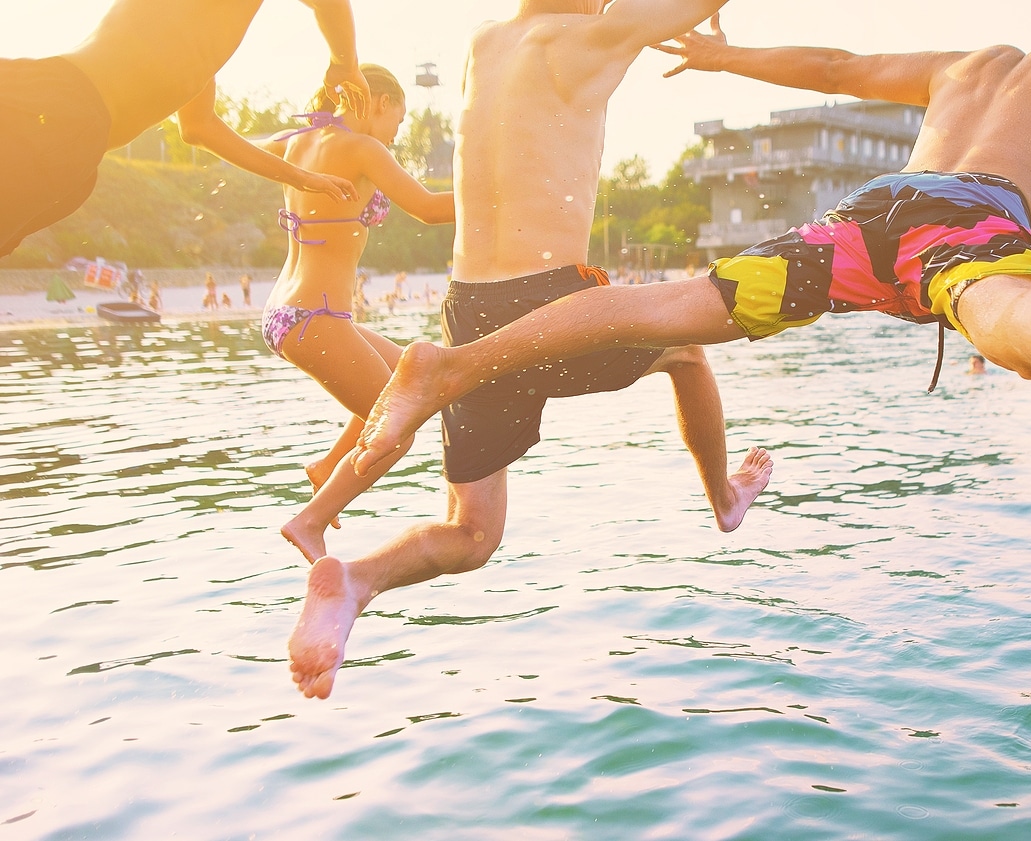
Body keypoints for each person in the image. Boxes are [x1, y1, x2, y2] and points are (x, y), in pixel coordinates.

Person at [355, 0, 1031, 565]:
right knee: (998, 300)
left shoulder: (961, 64)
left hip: (871, 213)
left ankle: (450, 363)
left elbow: (831, 69)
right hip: (973, 216)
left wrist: (729, 60)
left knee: (677, 306)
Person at [287, 0, 772, 701]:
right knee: (689, 351)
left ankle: (354, 579)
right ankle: (725, 499)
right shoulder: (593, 36)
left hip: (468, 309)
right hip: (548, 301)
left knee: (473, 534)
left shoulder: (484, 44)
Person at [257, 65, 454, 563]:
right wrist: (505, 200)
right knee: (397, 429)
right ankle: (310, 521)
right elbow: (429, 209)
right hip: (313, 317)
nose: (397, 131)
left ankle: (328, 466)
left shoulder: (302, 138)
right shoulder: (364, 149)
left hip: (293, 311)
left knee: (415, 377)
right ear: (379, 101)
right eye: (399, 118)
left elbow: (250, 147)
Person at [0, 0, 373, 259]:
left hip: (69, 129)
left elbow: (199, 127)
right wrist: (345, 64)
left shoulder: (203, 34)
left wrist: (298, 176)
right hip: (58, 111)